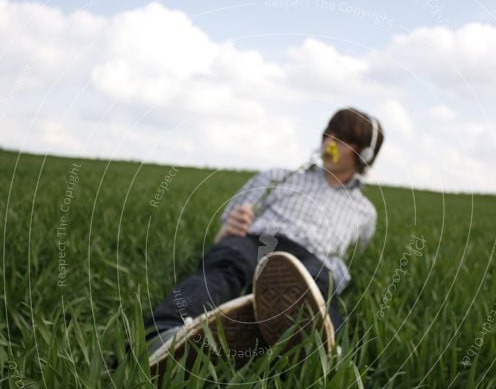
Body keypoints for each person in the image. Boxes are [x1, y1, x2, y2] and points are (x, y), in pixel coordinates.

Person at [145, 107, 384, 373]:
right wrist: (227, 231)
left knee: (320, 290)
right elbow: (226, 229)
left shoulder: (365, 213)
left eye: (341, 139)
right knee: (226, 264)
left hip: (311, 258)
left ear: (363, 154)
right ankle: (164, 335)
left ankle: (328, 359)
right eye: (328, 133)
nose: (329, 142)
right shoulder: (276, 177)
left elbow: (353, 253)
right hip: (259, 240)